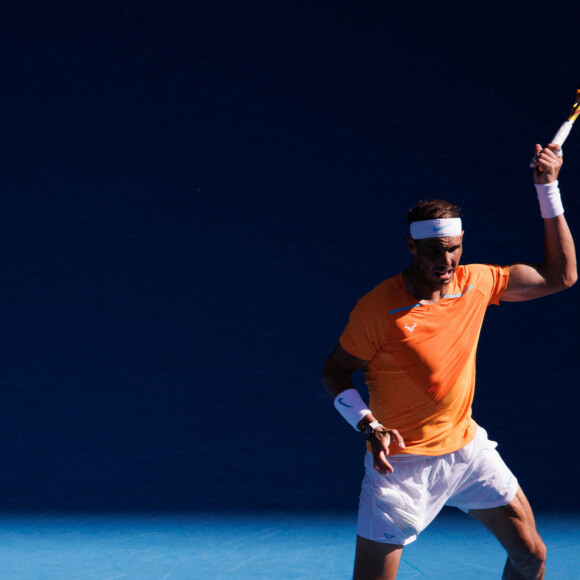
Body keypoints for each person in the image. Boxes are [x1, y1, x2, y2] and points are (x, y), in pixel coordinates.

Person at [321, 143, 577, 580]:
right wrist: (368, 424)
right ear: (410, 246)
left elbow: (562, 276)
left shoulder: (477, 282)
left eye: (454, 249)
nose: (445, 262)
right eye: (434, 251)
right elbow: (335, 371)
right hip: (401, 466)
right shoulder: (378, 309)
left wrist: (547, 187)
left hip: (467, 450)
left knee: (531, 556)